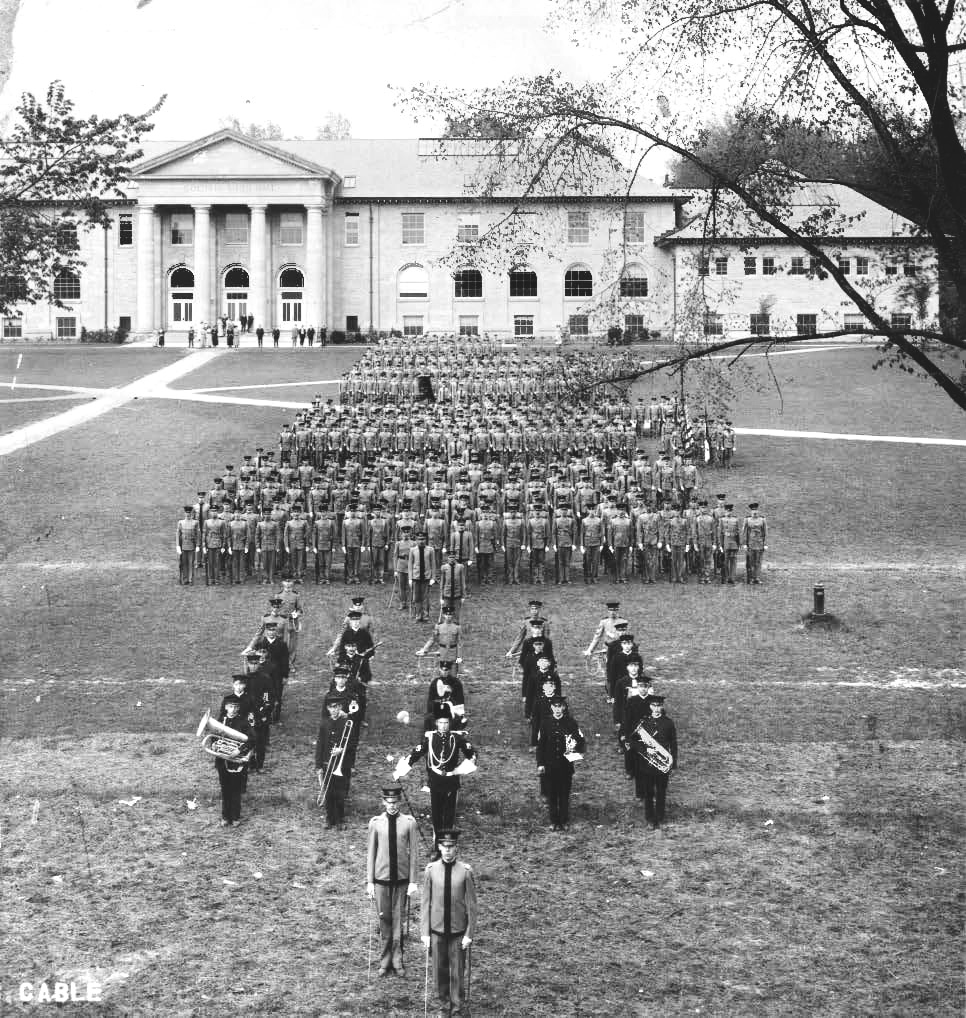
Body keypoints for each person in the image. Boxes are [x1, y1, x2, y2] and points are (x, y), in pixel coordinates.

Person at [396, 707, 477, 852]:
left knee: (449, 814)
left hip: (451, 780)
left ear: (449, 723)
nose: (444, 725)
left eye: (446, 722)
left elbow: (472, 754)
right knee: (437, 812)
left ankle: (448, 845)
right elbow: (416, 753)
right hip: (436, 780)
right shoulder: (430, 738)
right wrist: (401, 770)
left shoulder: (457, 738)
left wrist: (461, 769)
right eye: (441, 723)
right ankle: (437, 844)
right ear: (436, 724)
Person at [420, 830, 477, 1018]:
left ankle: (457, 1008)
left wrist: (469, 933)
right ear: (439, 847)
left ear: (456, 848)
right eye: (444, 847)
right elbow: (425, 903)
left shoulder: (466, 872)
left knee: (458, 972)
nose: (447, 851)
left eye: (451, 847)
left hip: (457, 931)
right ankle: (444, 1007)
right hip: (436, 931)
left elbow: (472, 906)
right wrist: (425, 932)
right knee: (439, 971)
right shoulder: (430, 870)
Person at [366, 787, 420, 977]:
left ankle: (397, 960)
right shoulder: (375, 823)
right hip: (381, 881)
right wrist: (370, 882)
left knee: (398, 920)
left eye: (395, 802)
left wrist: (413, 880)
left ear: (399, 803)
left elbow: (414, 853)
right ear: (383, 802)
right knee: (384, 919)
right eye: (388, 802)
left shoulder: (409, 823)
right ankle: (384, 960)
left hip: (401, 881)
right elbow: (371, 854)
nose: (391, 806)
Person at [625, 694, 677, 829]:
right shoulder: (644, 723)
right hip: (646, 764)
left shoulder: (668, 723)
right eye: (654, 705)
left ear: (662, 706)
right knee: (648, 793)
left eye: (659, 705)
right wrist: (646, 749)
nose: (656, 708)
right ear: (649, 706)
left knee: (661, 792)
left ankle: (659, 817)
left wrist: (673, 763)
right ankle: (649, 818)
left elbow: (674, 744)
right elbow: (632, 741)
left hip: (661, 765)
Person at [536, 695, 586, 830]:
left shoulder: (571, 722)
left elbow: (580, 740)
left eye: (560, 706)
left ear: (563, 707)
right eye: (555, 706)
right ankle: (553, 821)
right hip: (550, 765)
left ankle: (564, 821)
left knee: (564, 794)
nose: (557, 709)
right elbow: (541, 746)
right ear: (551, 707)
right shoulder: (545, 723)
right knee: (552, 795)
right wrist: (540, 764)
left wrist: (578, 753)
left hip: (565, 766)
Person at [213, 692, 253, 828]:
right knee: (225, 789)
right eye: (231, 706)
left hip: (237, 761)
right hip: (222, 761)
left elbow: (253, 740)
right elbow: (214, 737)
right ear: (225, 707)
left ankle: (235, 817)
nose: (233, 709)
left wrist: (239, 751)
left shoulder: (243, 722)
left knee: (235, 790)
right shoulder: (220, 721)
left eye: (236, 706)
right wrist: (214, 744)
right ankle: (225, 816)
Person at [315, 694, 352, 828]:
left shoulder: (346, 722)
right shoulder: (324, 723)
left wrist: (341, 750)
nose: (333, 710)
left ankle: (340, 819)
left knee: (340, 792)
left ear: (340, 707)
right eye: (331, 707)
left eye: (336, 707)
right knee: (329, 792)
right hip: (327, 762)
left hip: (341, 763)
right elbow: (320, 745)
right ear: (328, 708)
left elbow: (352, 742)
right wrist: (318, 764)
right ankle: (329, 818)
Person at [409, 530, 437, 622]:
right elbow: (410, 564)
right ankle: (418, 615)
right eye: (419, 539)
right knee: (416, 597)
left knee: (425, 598)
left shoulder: (430, 550)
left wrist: (433, 577)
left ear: (426, 540)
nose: (421, 541)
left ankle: (425, 616)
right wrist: (410, 578)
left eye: (423, 539)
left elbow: (433, 564)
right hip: (416, 577)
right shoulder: (413, 550)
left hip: (426, 577)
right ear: (416, 540)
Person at [741, 502, 767, 584]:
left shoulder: (762, 519)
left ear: (758, 510)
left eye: (756, 510)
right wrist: (744, 544)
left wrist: (765, 544)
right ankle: (751, 578)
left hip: (759, 544)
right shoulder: (747, 520)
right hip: (750, 544)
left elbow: (765, 532)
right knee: (750, 562)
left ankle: (757, 577)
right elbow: (744, 532)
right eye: (753, 510)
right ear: (750, 511)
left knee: (758, 562)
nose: (754, 512)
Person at [176, 504, 199, 585]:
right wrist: (178, 546)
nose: (188, 514)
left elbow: (197, 535)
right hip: (183, 546)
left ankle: (190, 579)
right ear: (184, 513)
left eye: (189, 513)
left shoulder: (195, 522)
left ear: (191, 513)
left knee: (191, 563)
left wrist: (197, 545)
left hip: (192, 546)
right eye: (186, 513)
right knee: (184, 564)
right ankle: (185, 579)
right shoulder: (180, 522)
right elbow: (178, 535)